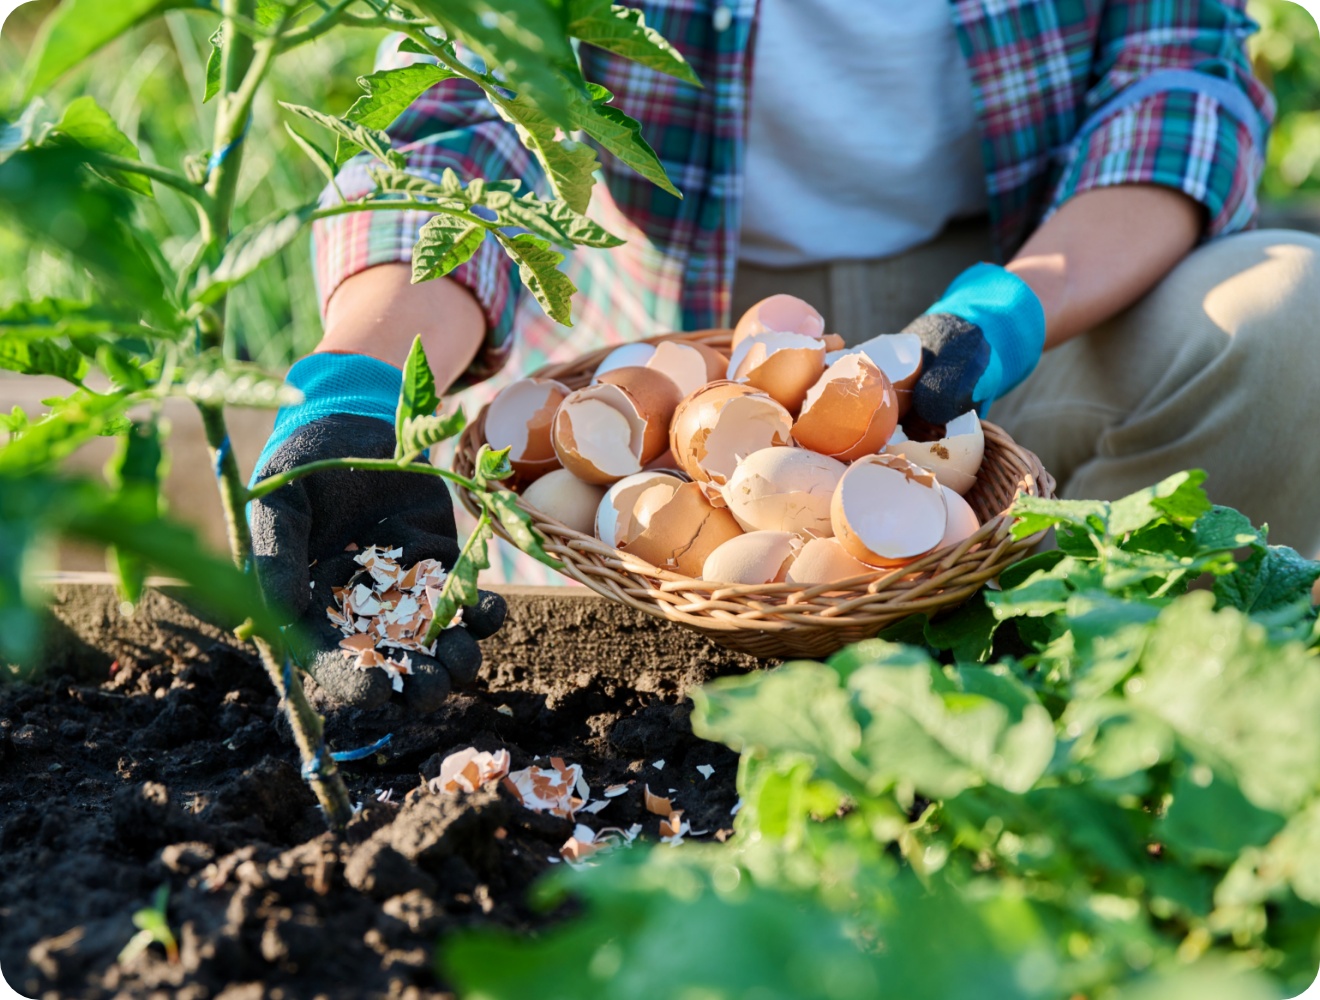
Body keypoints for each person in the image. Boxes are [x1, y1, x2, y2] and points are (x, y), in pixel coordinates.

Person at [251, 0, 1320, 710]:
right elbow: (459, 104)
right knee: (649, 545)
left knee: (1282, 323)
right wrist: (363, 380)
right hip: (674, 339)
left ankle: (1078, 699)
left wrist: (1005, 311)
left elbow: (1176, 80)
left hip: (1031, 277)